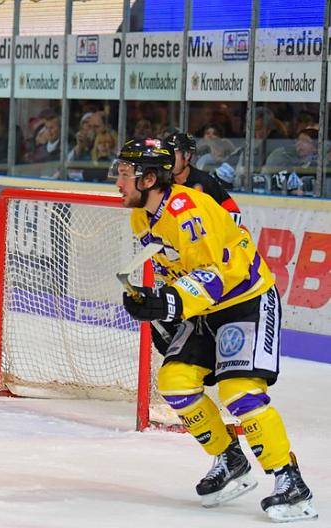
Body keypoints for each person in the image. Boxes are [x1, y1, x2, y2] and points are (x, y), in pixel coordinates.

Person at [114, 138, 317, 522]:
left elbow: (218, 276)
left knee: (239, 392)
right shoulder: (142, 216)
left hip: (246, 300)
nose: (118, 182)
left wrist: (169, 303)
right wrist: (161, 311)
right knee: (174, 381)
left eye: (125, 174)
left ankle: (289, 481)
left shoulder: (188, 212)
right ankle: (230, 459)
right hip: (205, 308)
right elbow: (174, 268)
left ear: (149, 179)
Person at [165, 132, 241, 225]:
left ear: (187, 155)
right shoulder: (163, 182)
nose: (169, 159)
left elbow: (233, 212)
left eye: (174, 154)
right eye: (167, 154)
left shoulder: (205, 182)